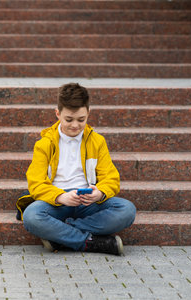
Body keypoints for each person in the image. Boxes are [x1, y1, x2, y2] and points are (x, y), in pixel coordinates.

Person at [16, 83, 136, 255]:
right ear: (58, 114)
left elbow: (111, 178)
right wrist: (60, 196)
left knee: (127, 210)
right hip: (56, 202)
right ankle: (89, 242)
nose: (75, 125)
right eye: (69, 119)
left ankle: (61, 234)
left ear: (88, 113)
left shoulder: (97, 141)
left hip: (88, 201)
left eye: (81, 119)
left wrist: (100, 193)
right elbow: (35, 183)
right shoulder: (44, 144)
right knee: (32, 217)